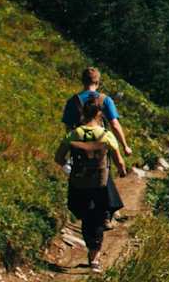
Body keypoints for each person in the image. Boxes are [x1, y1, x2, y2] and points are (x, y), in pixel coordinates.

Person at [54, 93, 128, 274]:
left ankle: (91, 247)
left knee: (87, 217)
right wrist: (122, 171)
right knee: (98, 217)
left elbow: (59, 158)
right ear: (99, 114)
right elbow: (119, 161)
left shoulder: (74, 134)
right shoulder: (106, 135)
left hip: (79, 182)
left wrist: (69, 168)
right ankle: (94, 258)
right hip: (100, 183)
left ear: (83, 114)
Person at [61, 67, 131, 227]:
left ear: (82, 81)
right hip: (100, 142)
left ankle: (84, 212)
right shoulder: (105, 100)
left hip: (79, 144)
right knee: (103, 172)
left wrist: (70, 144)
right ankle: (105, 214)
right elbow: (114, 124)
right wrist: (125, 145)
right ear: (98, 82)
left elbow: (68, 128)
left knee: (80, 175)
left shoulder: (73, 101)